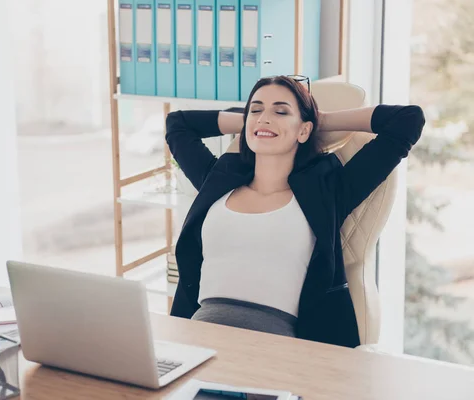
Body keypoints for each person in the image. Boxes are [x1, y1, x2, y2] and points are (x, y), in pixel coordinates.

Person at [166, 76, 425, 348]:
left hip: (276, 350)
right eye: (255, 109)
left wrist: (318, 122)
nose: (264, 118)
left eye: (280, 111)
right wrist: (252, 122)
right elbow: (178, 124)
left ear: (304, 131)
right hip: (197, 340)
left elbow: (408, 120)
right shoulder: (216, 180)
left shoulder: (329, 191)